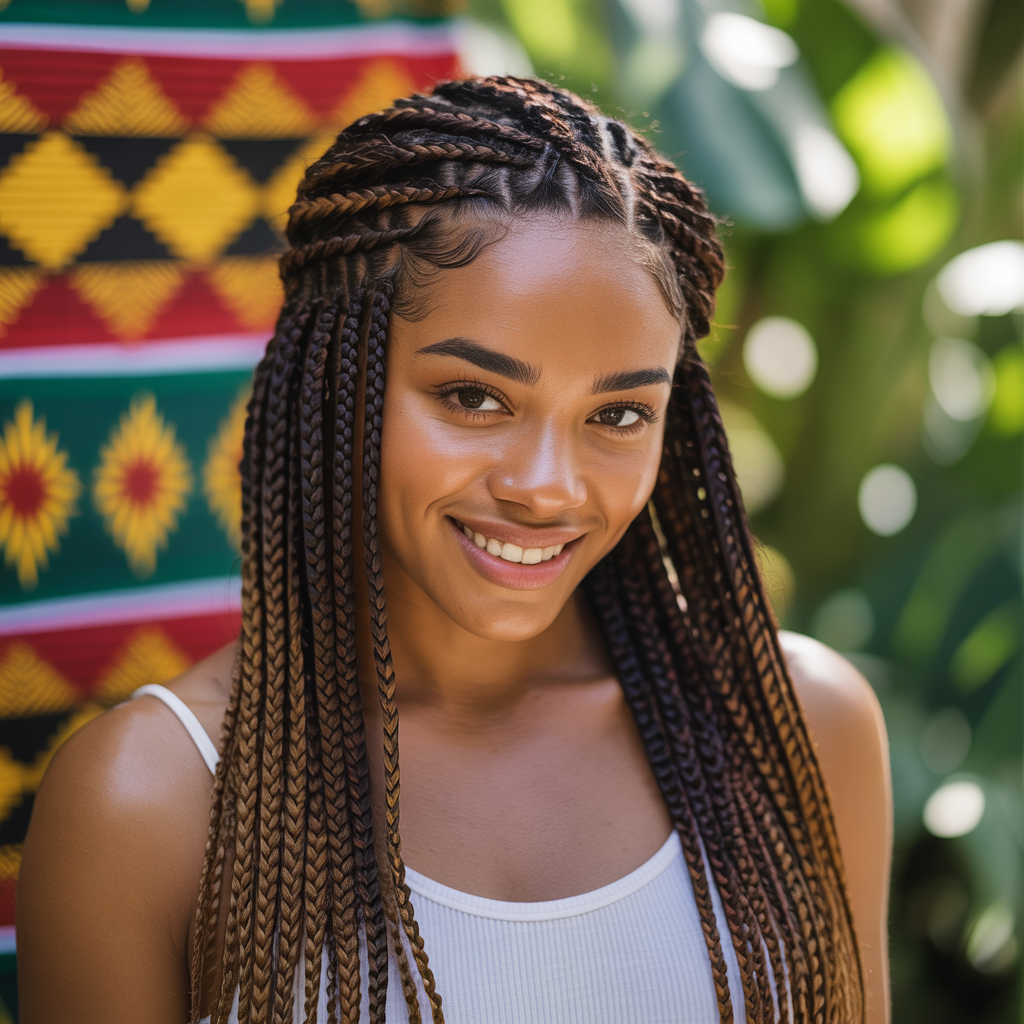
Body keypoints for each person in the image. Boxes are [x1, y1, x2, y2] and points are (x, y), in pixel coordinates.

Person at [17, 76, 891, 1024]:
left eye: (620, 413)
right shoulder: (150, 802)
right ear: (333, 382)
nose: (549, 485)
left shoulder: (796, 729)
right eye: (475, 398)